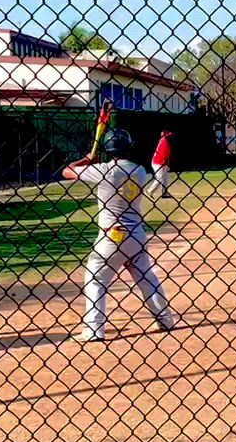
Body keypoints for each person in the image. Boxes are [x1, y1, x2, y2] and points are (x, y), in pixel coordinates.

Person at [63, 129, 174, 342]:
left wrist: (86, 160)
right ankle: (165, 320)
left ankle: (94, 329)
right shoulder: (140, 171)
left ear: (108, 149)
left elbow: (67, 172)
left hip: (112, 236)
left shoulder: (103, 170)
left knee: (95, 279)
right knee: (147, 278)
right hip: (137, 235)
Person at [150, 130, 173, 199]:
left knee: (165, 178)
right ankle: (150, 191)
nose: (170, 136)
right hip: (158, 162)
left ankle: (164, 193)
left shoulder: (164, 141)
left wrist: (167, 164)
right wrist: (165, 163)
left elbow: (167, 155)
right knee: (160, 178)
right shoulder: (164, 141)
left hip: (161, 162)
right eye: (168, 135)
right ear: (165, 136)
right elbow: (163, 154)